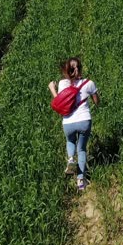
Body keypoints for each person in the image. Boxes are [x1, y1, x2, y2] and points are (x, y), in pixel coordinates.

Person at [49, 57, 100, 190]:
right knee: (82, 149)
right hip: (84, 120)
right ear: (80, 68)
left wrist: (52, 89)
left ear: (66, 70)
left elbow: (60, 103)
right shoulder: (89, 83)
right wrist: (93, 94)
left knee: (70, 141)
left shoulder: (62, 84)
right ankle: (81, 182)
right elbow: (97, 102)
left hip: (68, 122)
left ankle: (71, 159)